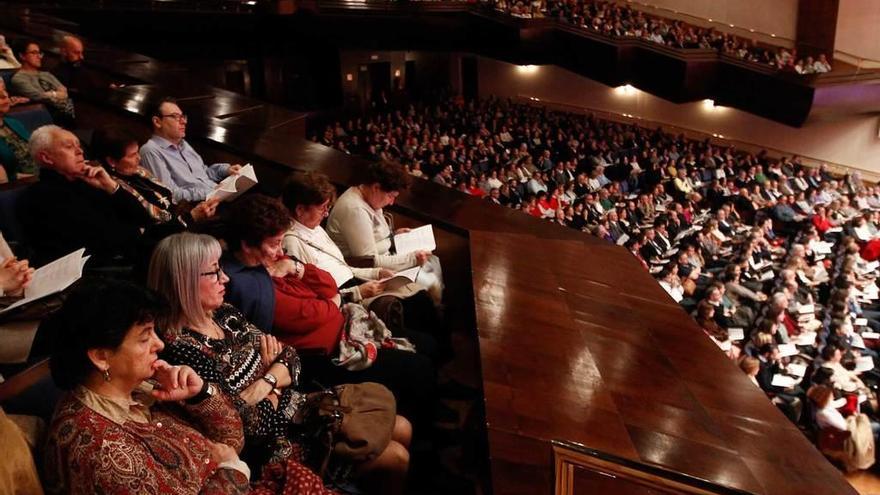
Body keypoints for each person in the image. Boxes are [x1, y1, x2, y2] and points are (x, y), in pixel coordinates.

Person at [148, 232, 412, 492]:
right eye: (214, 272)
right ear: (185, 281)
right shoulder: (180, 350)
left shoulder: (224, 314)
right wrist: (275, 379)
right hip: (276, 447)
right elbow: (247, 425)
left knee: (402, 425)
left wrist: (265, 383)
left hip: (303, 408)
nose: (225, 278)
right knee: (396, 456)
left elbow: (291, 356)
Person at [43, 278, 333, 495]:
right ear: (101, 357)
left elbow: (233, 436)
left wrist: (200, 393)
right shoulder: (101, 449)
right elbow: (233, 451)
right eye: (145, 338)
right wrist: (233, 470)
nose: (159, 344)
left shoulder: (143, 387)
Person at [281, 172, 447, 353]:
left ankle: (441, 353)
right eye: (323, 208)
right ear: (300, 210)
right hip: (346, 298)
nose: (327, 213)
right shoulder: (291, 242)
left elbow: (342, 266)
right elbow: (315, 296)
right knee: (419, 318)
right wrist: (358, 292)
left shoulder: (315, 228)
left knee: (420, 298)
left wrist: (376, 273)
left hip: (356, 281)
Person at [19, 125, 151, 267]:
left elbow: (142, 217)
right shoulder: (38, 198)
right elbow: (95, 242)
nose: (80, 151)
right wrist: (136, 232)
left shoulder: (91, 181)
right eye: (69, 147)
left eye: (79, 145)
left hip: (128, 256)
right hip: (100, 271)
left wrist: (111, 187)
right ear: (46, 157)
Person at [326, 161, 443, 304]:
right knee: (426, 289)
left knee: (433, 262)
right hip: (364, 272)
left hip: (386, 257)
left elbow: (375, 235)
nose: (392, 202)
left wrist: (394, 236)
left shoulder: (368, 197)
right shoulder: (355, 210)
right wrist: (411, 259)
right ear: (376, 187)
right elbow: (368, 260)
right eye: (391, 196)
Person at [91, 126, 219, 226]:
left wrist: (196, 211)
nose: (139, 158)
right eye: (132, 155)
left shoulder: (139, 172)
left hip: (181, 220)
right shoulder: (113, 188)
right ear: (112, 161)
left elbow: (170, 199)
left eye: (137, 152)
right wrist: (192, 217)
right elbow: (152, 225)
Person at [139, 97, 242, 203]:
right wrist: (212, 192)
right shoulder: (150, 151)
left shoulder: (182, 143)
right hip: (200, 205)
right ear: (157, 122)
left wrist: (226, 170)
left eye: (183, 116)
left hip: (217, 196)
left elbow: (203, 173)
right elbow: (171, 195)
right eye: (175, 117)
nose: (183, 121)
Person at [10, 40, 75, 126]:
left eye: (39, 53)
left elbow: (64, 92)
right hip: (48, 116)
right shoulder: (18, 78)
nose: (39, 57)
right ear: (22, 56)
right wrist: (56, 94)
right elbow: (38, 96)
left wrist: (51, 94)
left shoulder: (46, 74)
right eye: (34, 53)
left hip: (68, 112)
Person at [0, 88, 37, 181]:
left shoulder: (13, 122)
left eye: (5, 92)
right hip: (18, 184)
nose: (5, 96)